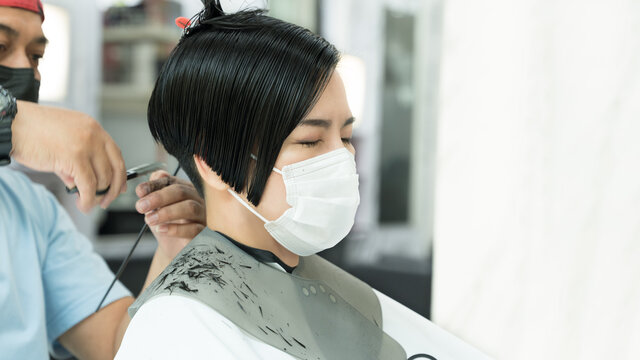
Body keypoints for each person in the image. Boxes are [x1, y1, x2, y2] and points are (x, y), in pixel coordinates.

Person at [116, 2, 489, 359]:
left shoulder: (334, 295)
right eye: (310, 141)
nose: (341, 159)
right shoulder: (176, 330)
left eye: (345, 137)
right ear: (214, 162)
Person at [0, 1, 205, 358]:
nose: (24, 69)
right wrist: (11, 121)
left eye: (36, 57)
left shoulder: (32, 212)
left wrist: (175, 251)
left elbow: (117, 346)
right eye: (1, 48)